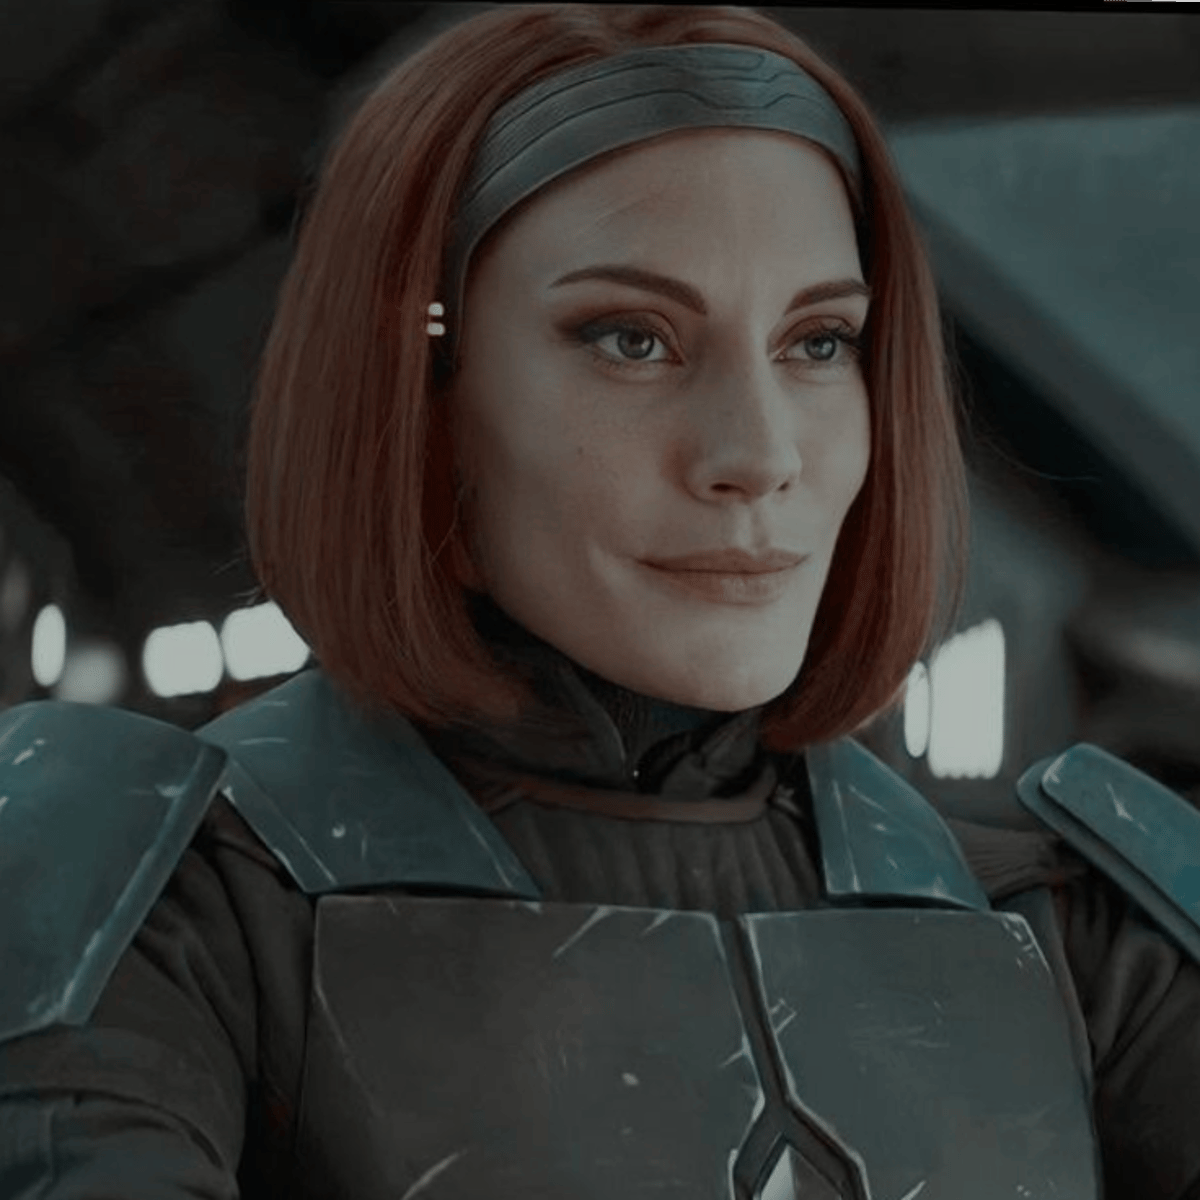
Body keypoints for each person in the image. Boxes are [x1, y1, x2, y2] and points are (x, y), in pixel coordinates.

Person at [1, 5, 1198, 1198]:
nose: (759, 453)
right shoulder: (147, 916)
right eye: (632, 339)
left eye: (820, 342)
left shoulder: (1087, 942)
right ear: (420, 397)